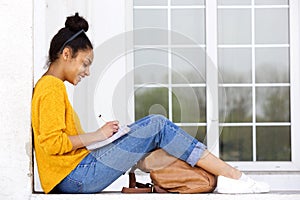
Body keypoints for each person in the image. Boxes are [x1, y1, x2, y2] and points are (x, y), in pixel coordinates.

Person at [31, 13, 270, 194]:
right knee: (157, 125)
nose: (87, 71)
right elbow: (52, 144)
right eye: (85, 63)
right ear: (66, 54)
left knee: (154, 132)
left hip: (75, 173)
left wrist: (107, 138)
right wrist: (98, 135)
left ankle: (218, 178)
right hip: (75, 177)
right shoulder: (51, 87)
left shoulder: (50, 86)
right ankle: (232, 176)